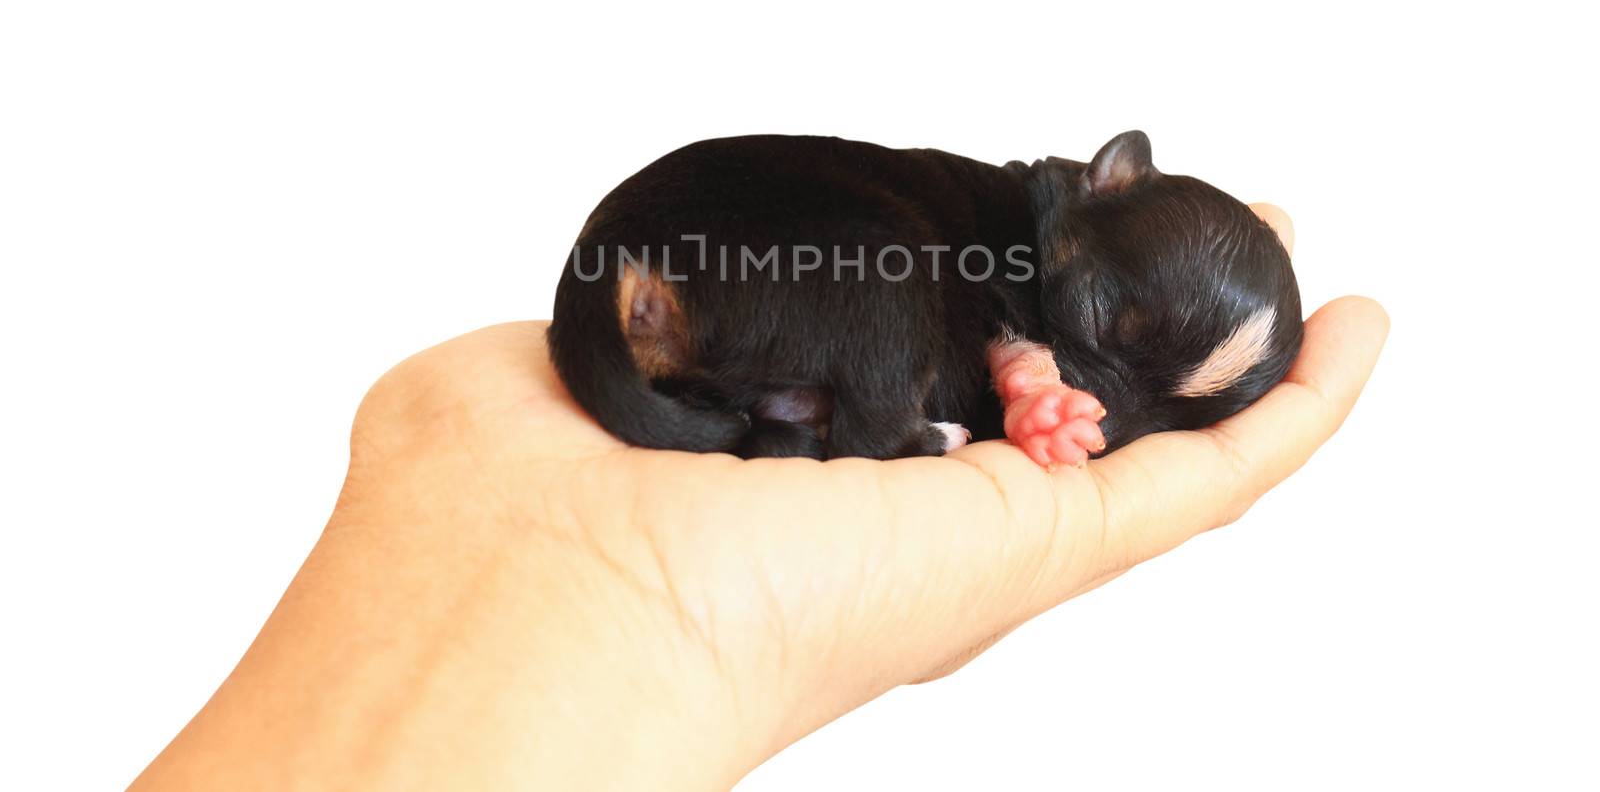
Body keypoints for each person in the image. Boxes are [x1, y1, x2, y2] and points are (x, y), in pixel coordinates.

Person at [130, 206, 1387, 791]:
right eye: (1116, 342)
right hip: (734, 254)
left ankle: (800, 403)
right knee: (893, 323)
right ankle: (839, 407)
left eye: (1178, 402)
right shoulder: (976, 239)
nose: (1128, 407)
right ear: (1087, 208)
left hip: (701, 286)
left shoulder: (1021, 264)